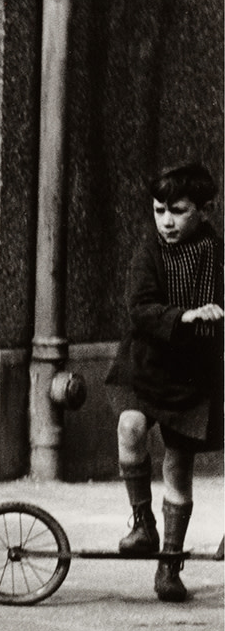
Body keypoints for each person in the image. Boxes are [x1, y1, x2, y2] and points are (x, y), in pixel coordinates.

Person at [104, 163, 222, 603]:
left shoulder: (215, 253)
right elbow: (139, 308)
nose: (167, 221)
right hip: (147, 363)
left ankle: (170, 563)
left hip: (192, 376)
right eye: (159, 211)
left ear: (202, 211)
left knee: (177, 464)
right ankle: (143, 524)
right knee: (129, 427)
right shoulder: (149, 252)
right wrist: (185, 316)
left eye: (178, 211)